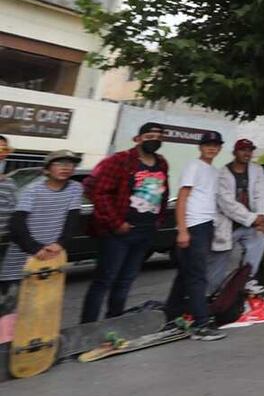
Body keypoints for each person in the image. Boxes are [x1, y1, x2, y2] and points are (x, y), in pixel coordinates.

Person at [81, 122, 170, 323]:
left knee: (126, 280)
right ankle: (87, 326)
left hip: (145, 231)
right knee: (105, 280)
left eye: (158, 137)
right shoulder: (120, 160)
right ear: (138, 139)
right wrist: (116, 222)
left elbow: (163, 193)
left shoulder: (161, 163)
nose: (154, 140)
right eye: (149, 136)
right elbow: (99, 192)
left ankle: (114, 322)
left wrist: (158, 220)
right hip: (118, 233)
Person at [0, 151, 83, 313]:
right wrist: (35, 248)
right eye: (59, 164)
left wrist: (60, 243)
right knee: (10, 309)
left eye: (70, 164)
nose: (65, 168)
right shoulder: (32, 190)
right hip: (22, 256)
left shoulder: (75, 188)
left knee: (40, 309)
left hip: (52, 255)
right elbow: (17, 223)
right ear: (46, 170)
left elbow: (72, 219)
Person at [164, 132, 227, 341]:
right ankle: (201, 324)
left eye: (216, 145)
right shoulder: (194, 166)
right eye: (208, 145)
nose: (212, 148)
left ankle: (170, 316)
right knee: (198, 276)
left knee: (185, 274)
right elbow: (182, 199)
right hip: (193, 225)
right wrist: (182, 229)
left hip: (206, 224)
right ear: (200, 147)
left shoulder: (214, 171)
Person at [208, 139, 264, 293]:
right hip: (228, 225)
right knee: (218, 265)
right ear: (235, 152)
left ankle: (246, 281)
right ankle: (211, 294)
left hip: (251, 225)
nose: (247, 153)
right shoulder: (222, 173)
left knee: (260, 239)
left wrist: (261, 219)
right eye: (243, 150)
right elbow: (227, 204)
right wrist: (253, 219)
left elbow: (260, 196)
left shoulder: (257, 170)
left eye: (249, 150)